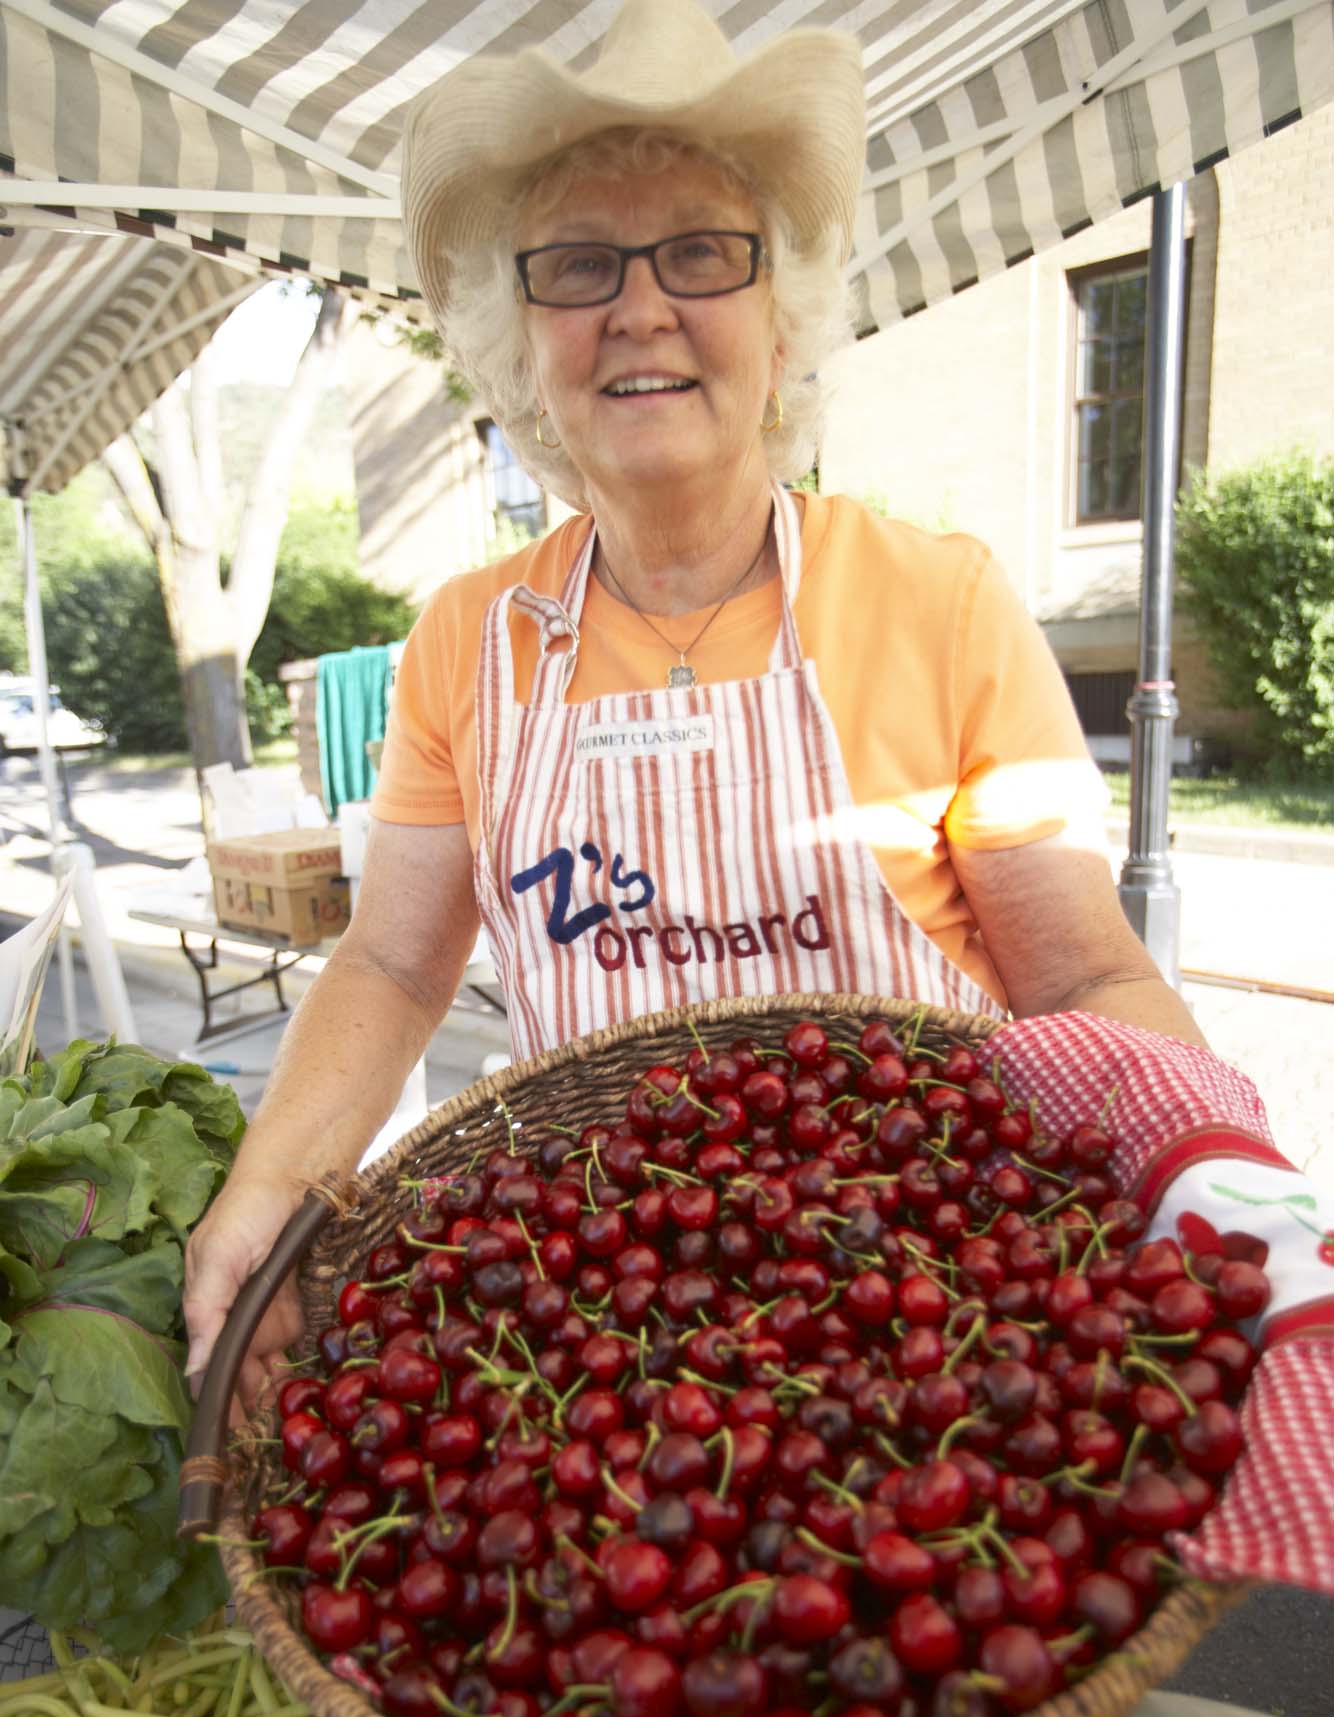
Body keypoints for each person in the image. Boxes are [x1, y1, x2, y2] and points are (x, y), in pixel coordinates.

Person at [184, 0, 1205, 1403]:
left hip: (923, 1306)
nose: (640, 307)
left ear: (781, 324)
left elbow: (1083, 981)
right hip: (609, 1317)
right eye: (578, 266)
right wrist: (270, 1187)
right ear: (521, 341)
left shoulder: (939, 600)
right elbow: (395, 969)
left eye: (702, 253)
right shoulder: (469, 640)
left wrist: (1216, 1183)